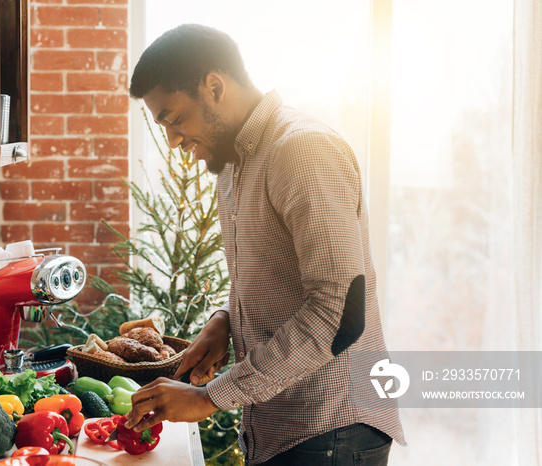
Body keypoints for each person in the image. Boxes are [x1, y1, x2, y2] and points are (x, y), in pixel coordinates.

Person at [124, 24, 405, 465]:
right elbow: (275, 275)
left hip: (333, 428)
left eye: (175, 119)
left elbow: (339, 313)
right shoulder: (233, 164)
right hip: (286, 427)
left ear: (214, 86)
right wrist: (225, 321)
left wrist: (208, 398)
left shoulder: (302, 149)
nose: (174, 141)